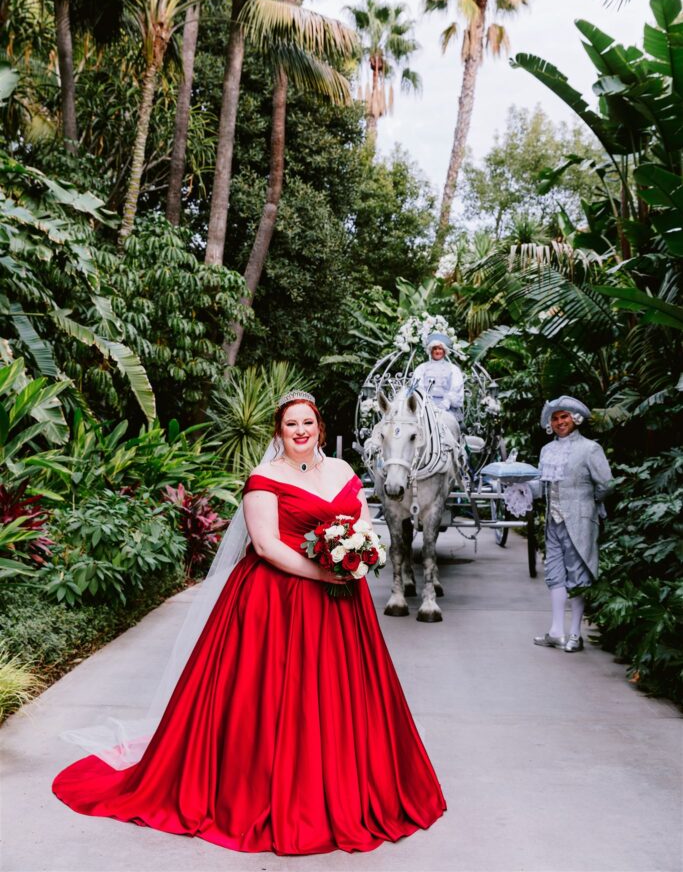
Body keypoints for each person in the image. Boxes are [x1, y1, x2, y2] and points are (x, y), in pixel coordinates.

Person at [52, 391, 446, 855]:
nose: (301, 431)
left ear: (319, 427)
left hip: (342, 601)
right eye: (290, 425)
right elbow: (266, 546)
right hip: (276, 600)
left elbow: (361, 520)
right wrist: (325, 571)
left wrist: (357, 557)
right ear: (279, 433)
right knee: (270, 697)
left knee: (342, 694)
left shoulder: (342, 472)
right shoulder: (264, 478)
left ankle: (344, 778)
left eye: (308, 423)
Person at [532, 395, 613, 654]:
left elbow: (607, 484)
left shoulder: (589, 449)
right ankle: (557, 631)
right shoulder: (547, 450)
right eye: (555, 418)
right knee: (554, 572)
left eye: (564, 417)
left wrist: (589, 502)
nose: (560, 422)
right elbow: (543, 484)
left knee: (577, 575)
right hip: (553, 522)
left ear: (575, 419)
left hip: (579, 521)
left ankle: (576, 634)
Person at [413, 332, 465, 433]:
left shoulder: (453, 369)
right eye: (435, 349)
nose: (437, 351)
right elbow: (418, 388)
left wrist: (445, 404)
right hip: (425, 407)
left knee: (448, 427)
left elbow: (456, 388)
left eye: (440, 349)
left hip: (447, 409)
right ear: (431, 351)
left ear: (444, 351)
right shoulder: (421, 368)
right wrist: (428, 405)